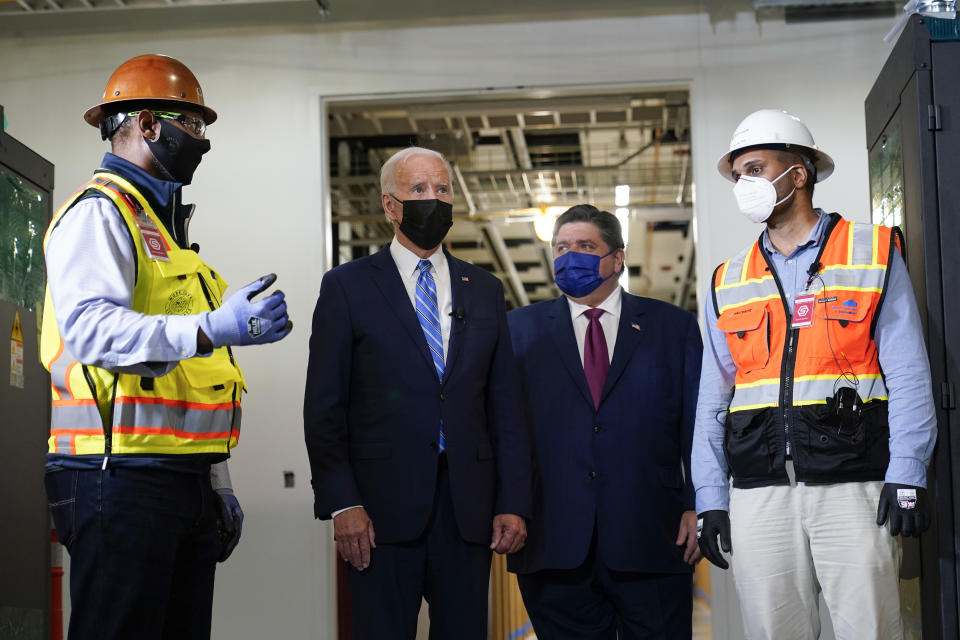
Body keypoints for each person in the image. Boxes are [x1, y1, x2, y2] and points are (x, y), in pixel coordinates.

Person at [41, 54, 292, 640]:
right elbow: (91, 330)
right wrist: (212, 327)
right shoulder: (99, 213)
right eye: (193, 125)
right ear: (149, 125)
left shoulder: (168, 239)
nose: (201, 141)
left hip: (178, 480)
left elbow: (195, 375)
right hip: (115, 478)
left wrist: (216, 483)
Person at [694, 108, 937, 639]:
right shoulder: (727, 279)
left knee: (871, 630)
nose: (744, 184)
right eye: (738, 175)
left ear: (797, 174)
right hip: (758, 491)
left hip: (853, 485)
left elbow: (910, 374)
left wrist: (909, 472)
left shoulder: (870, 252)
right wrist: (710, 497)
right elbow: (713, 399)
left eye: (756, 169)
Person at [303, 146, 532, 639]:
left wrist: (512, 500)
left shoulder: (485, 289)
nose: (435, 199)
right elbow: (325, 407)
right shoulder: (347, 288)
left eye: (443, 189)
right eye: (420, 190)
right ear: (390, 206)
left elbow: (505, 407)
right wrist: (342, 503)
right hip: (378, 515)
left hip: (468, 513)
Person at [506, 204, 702, 639]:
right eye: (561, 247)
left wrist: (697, 503)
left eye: (585, 246)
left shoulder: (673, 328)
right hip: (552, 541)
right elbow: (505, 429)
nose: (569, 255)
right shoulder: (517, 331)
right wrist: (507, 505)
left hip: (653, 536)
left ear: (618, 257)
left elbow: (697, 425)